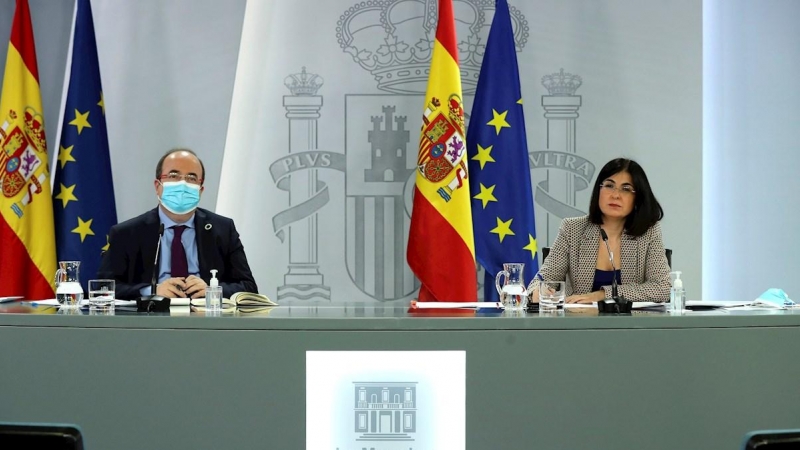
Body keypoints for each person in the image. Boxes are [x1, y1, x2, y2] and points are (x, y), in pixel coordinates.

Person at [98, 148, 258, 300]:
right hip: (148, 321)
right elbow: (103, 289)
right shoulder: (127, 233)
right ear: (157, 186)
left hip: (206, 321)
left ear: (200, 190)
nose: (183, 184)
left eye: (191, 178)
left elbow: (248, 287)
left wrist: (212, 289)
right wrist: (152, 290)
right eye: (174, 175)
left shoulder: (223, 229)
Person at [528, 158, 670, 303]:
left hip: (633, 324)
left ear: (638, 198)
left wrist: (602, 295)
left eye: (626, 189)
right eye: (609, 186)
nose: (615, 195)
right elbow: (543, 279)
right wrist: (537, 291)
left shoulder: (648, 232)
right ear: (598, 190)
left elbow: (662, 288)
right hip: (580, 323)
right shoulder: (572, 229)